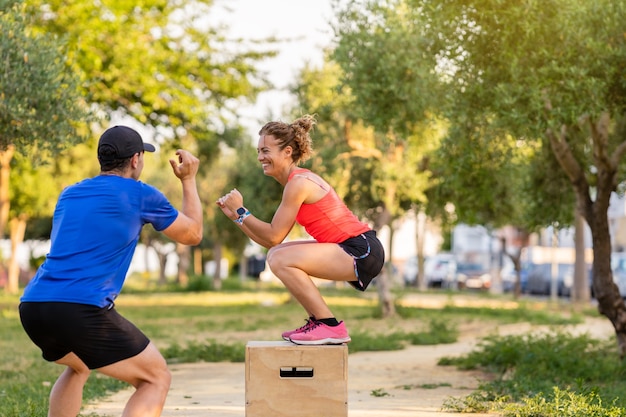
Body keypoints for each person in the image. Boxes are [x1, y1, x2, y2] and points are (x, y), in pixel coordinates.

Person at [19, 125, 203, 417]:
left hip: (33, 305)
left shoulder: (70, 194)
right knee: (155, 378)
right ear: (135, 160)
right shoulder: (140, 194)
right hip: (80, 309)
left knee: (78, 365)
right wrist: (189, 180)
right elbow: (192, 234)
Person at [216, 114, 384, 345]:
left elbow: (274, 235)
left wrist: (242, 211)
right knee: (276, 255)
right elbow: (271, 242)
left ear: (287, 152)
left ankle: (329, 325)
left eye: (265, 151)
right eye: (258, 151)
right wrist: (238, 217)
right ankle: (321, 323)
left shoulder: (299, 183)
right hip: (352, 248)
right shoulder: (294, 184)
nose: (260, 157)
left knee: (280, 258)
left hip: (362, 250)